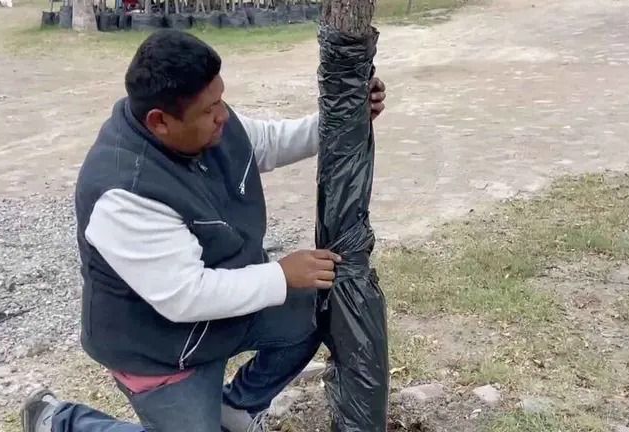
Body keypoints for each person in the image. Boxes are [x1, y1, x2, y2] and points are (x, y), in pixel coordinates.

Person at [20, 28, 387, 432]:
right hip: (159, 347)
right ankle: (60, 421)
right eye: (210, 109)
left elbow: (264, 142)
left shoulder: (205, 125)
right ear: (160, 122)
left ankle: (238, 408)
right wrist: (280, 275)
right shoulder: (123, 193)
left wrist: (339, 121)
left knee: (315, 309)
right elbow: (186, 296)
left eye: (221, 99)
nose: (223, 115)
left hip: (219, 311)